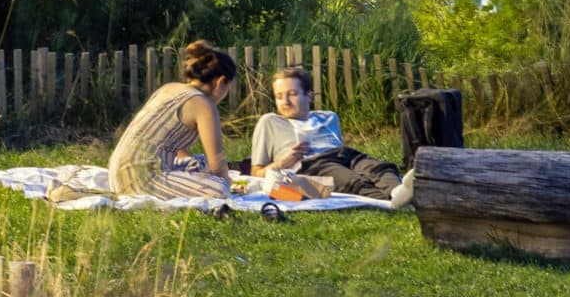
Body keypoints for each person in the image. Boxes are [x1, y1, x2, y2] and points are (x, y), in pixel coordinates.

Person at [250, 64, 414, 205]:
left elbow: (339, 148)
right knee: (350, 180)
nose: (285, 101)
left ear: (309, 96)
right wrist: (283, 162)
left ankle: (398, 192)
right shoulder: (270, 122)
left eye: (292, 94)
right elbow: (256, 173)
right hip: (312, 163)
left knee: (380, 168)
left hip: (344, 154)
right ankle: (394, 202)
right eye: (279, 96)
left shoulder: (328, 117)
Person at [108, 40, 238, 198]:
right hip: (140, 177)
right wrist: (227, 183)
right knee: (219, 189)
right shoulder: (204, 105)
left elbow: (176, 146)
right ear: (220, 82)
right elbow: (216, 162)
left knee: (200, 163)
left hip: (117, 171)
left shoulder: (169, 88)